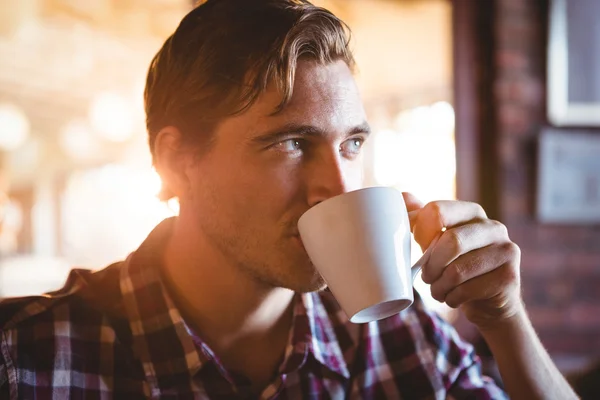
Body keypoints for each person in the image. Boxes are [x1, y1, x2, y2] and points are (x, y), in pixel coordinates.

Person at [0, 1, 577, 398]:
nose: (341, 186)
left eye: (352, 143)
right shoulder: (28, 359)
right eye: (293, 143)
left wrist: (507, 321)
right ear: (177, 161)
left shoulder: (396, 336)